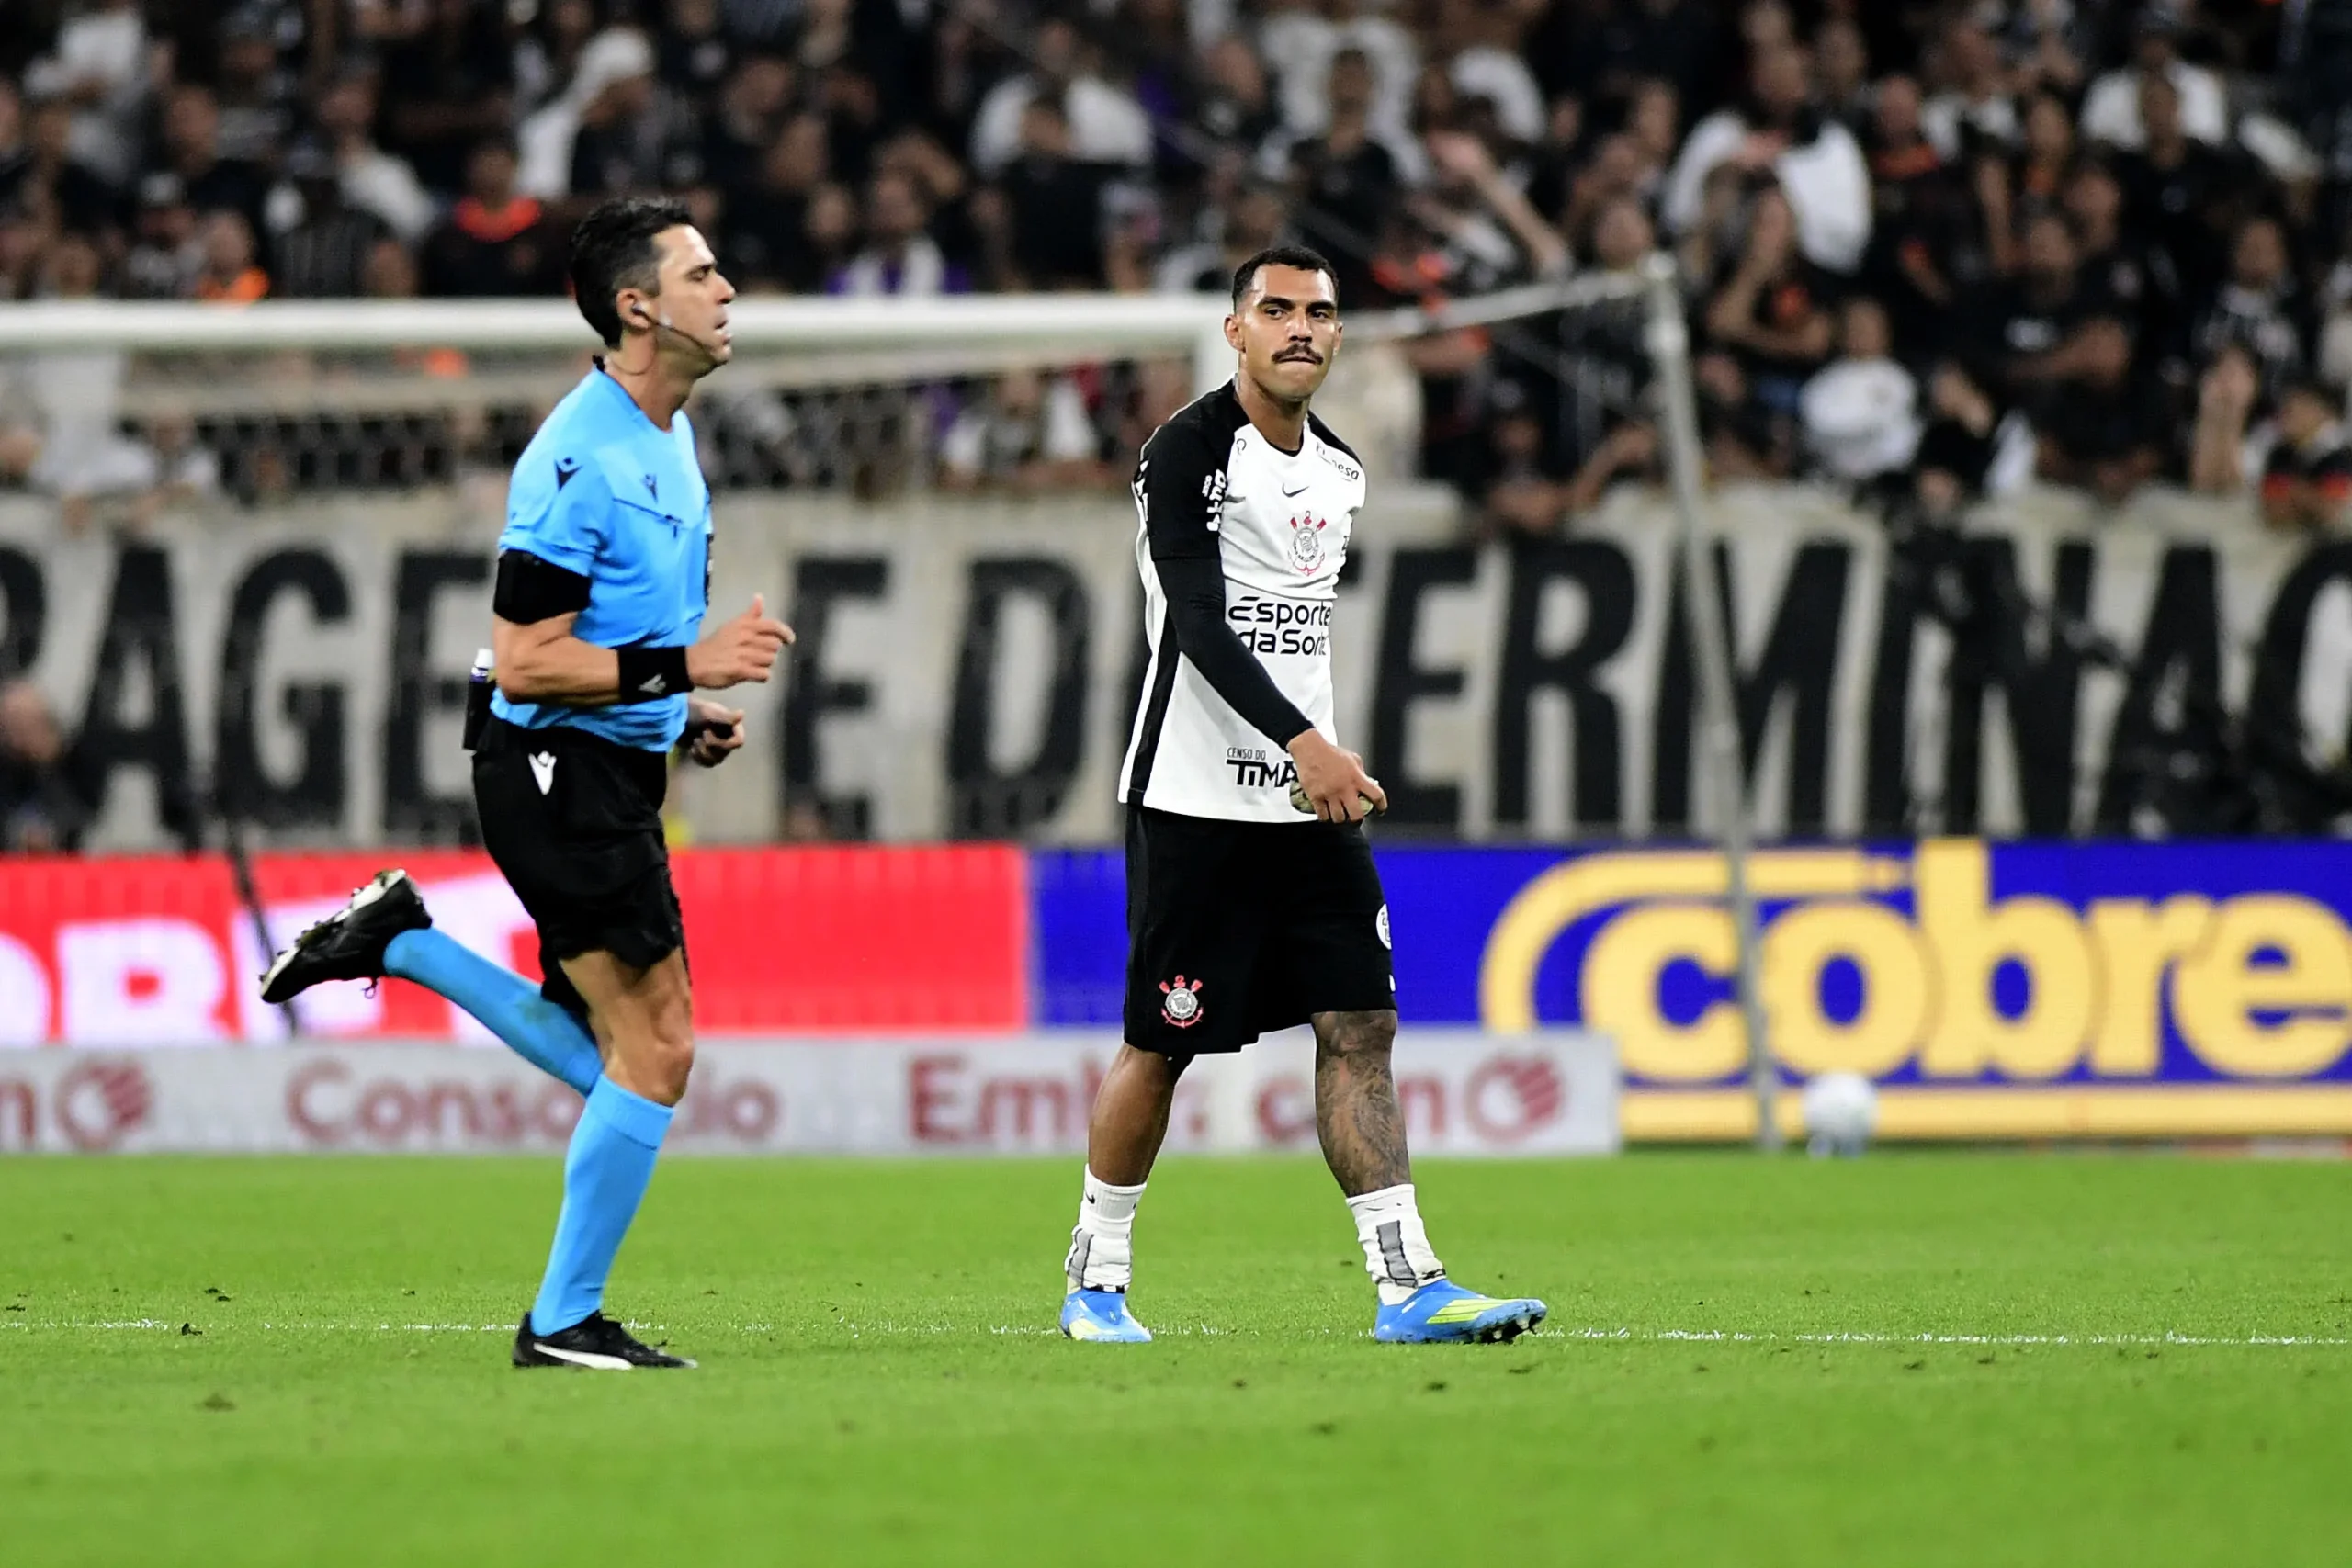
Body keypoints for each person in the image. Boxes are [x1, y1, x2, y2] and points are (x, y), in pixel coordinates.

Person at [257, 197, 795, 1371]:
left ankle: (403, 944)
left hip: (600, 763)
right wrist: (685, 666)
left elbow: (602, 640)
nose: (729, 291)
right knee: (658, 1054)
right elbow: (529, 654)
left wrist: (675, 710)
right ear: (637, 305)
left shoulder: (668, 430)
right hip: (553, 773)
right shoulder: (577, 458)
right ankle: (560, 1321)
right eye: (703, 275)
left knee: (625, 1056)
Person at [1058, 243, 1547, 1346]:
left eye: (1319, 314)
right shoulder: (1183, 453)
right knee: (1162, 1040)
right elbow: (1196, 624)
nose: (1299, 328)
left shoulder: (1339, 469)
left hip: (1306, 804)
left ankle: (1407, 1284)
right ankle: (1096, 1279)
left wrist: (1313, 759)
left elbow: (1294, 633)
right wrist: (1304, 741)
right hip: (1191, 797)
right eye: (1274, 309)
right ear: (1233, 329)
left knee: (1361, 1020)